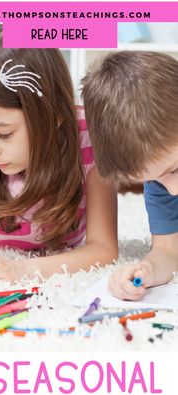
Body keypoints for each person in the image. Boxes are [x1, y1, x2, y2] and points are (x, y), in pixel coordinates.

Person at [0, 25, 117, 289]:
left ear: (54, 115)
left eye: (4, 133)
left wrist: (20, 270)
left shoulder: (90, 142)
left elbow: (103, 250)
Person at [82, 50, 178, 300]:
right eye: (155, 179)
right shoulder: (163, 183)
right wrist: (148, 269)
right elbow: (170, 250)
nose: (172, 189)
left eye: (175, 169)